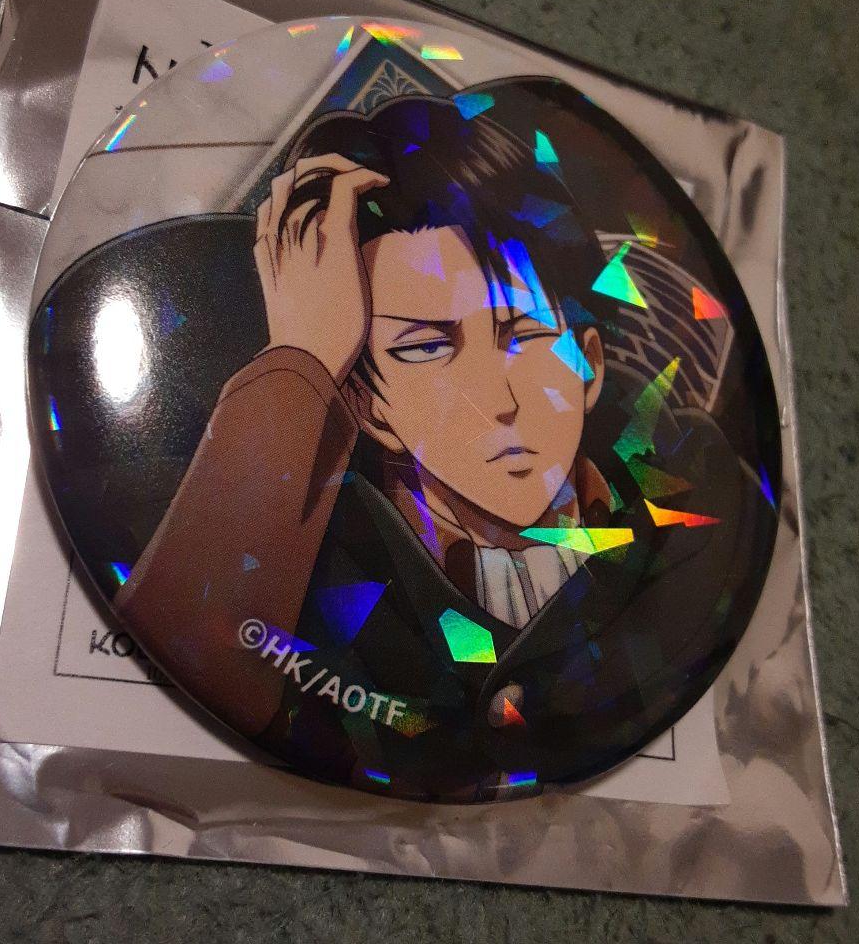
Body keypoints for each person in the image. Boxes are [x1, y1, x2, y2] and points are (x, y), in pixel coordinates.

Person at [114, 85, 773, 799]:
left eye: (524, 334)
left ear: (589, 362)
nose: (499, 401)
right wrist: (302, 359)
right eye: (427, 348)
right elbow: (187, 650)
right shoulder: (306, 548)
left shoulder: (698, 491)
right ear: (367, 405)